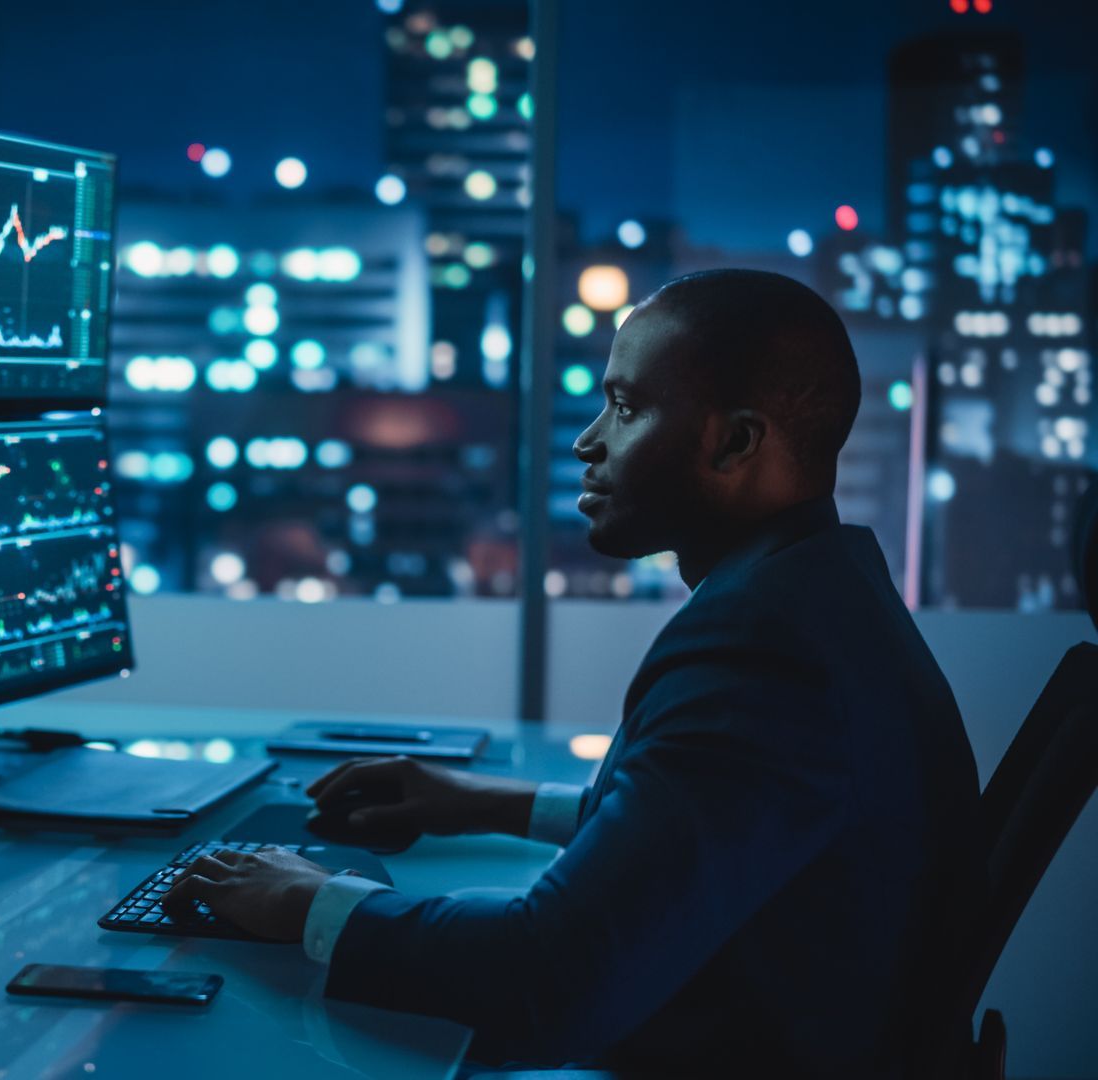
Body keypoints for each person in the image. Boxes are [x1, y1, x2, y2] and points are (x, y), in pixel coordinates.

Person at [164, 269, 984, 1076]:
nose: (589, 441)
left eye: (626, 408)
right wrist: (478, 800)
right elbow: (701, 832)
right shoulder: (820, 589)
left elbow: (549, 979)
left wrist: (308, 903)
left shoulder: (763, 647)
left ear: (736, 442)